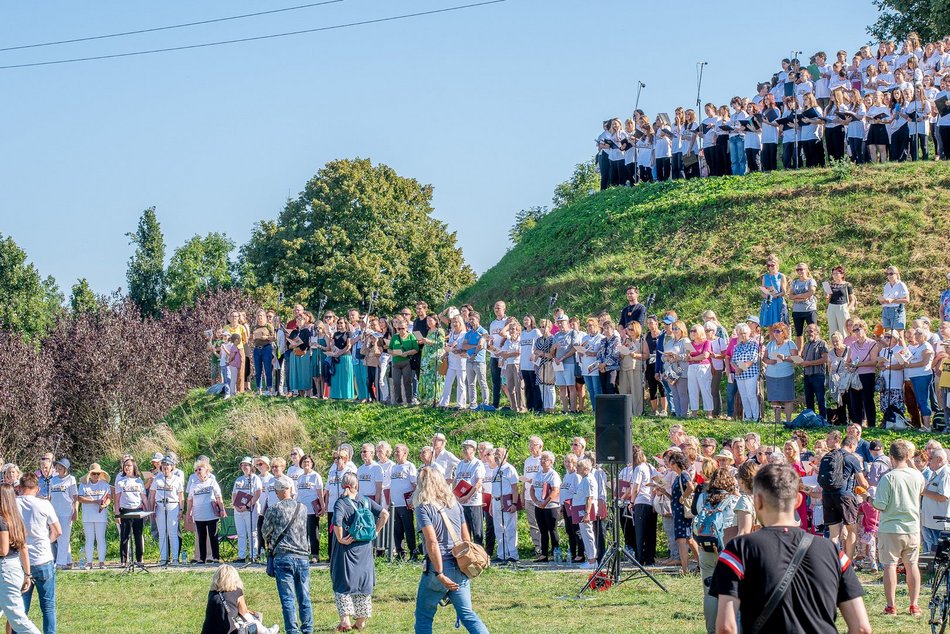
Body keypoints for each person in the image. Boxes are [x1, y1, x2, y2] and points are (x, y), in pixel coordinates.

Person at [709, 464, 871, 634]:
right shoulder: (833, 552)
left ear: (757, 500)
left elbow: (726, 627)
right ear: (798, 500)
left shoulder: (738, 550)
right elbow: (861, 628)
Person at [412, 466, 490, 634]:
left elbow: (432, 543)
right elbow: (466, 539)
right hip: (460, 565)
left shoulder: (423, 508)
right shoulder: (455, 505)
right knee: (468, 615)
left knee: (424, 616)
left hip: (438, 566)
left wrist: (440, 573)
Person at [873, 440, 926, 617]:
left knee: (889, 566)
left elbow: (880, 505)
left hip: (891, 528)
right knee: (912, 566)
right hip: (912, 527)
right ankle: (914, 605)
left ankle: (891, 606)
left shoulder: (888, 477)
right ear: (908, 456)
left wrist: (866, 498)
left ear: (891, 457)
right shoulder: (917, 475)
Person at [331, 472, 387, 632]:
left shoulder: (341, 503)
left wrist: (341, 538)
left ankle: (345, 621)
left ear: (343, 486)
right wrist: (376, 532)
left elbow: (337, 522)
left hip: (347, 549)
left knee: (343, 583)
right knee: (363, 583)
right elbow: (385, 514)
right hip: (365, 548)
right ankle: (361, 622)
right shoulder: (366, 501)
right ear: (357, 486)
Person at [262, 476, 312, 634]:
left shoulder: (274, 509)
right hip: (303, 557)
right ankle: (308, 629)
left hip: (283, 556)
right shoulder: (302, 508)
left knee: (288, 599)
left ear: (277, 492)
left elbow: (265, 531)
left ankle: (292, 631)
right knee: (304, 596)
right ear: (290, 489)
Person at [16, 474, 59, 634]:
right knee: (48, 606)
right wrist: (47, 541)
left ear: (19, 488)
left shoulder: (14, 503)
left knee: (20, 608)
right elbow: (58, 530)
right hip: (43, 558)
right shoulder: (44, 504)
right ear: (37, 488)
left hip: (21, 560)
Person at [0, 484, 41, 634]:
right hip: (14, 567)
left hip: (5, 571)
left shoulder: (2, 521)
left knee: (18, 621)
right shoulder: (16, 519)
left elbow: (3, 550)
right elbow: (23, 548)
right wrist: (27, 574)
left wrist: (28, 575)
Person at [201, 564, 278, 634]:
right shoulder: (237, 591)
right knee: (251, 618)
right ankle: (266, 632)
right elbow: (243, 612)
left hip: (208, 631)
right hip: (230, 631)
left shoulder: (212, 593)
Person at [188, 458, 225, 564]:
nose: (198, 472)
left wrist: (222, 509)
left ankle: (215, 557)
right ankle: (202, 558)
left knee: (213, 536)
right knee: (201, 537)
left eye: (200, 469)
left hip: (211, 515)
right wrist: (189, 514)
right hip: (199, 515)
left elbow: (219, 497)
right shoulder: (194, 484)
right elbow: (190, 500)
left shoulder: (212, 482)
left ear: (206, 470)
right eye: (196, 470)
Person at [148, 456, 184, 566]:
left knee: (173, 533)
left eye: (168, 465)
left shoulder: (177, 480)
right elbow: (152, 496)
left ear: (172, 466)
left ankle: (175, 559)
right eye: (163, 465)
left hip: (172, 506)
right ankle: (164, 558)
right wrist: (152, 510)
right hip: (160, 506)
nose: (165, 467)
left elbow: (181, 496)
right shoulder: (157, 479)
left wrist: (181, 510)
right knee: (162, 533)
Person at [113, 455, 147, 566]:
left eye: (129, 465)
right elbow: (116, 499)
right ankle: (123, 560)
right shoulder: (120, 481)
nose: (127, 467)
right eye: (125, 465)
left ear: (134, 467)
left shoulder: (139, 481)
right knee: (124, 536)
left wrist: (148, 510)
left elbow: (144, 497)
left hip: (137, 510)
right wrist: (117, 514)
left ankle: (139, 559)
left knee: (138, 535)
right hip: (125, 511)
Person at [763, 322, 798, 425]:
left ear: (784, 332)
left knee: (787, 399)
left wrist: (785, 358)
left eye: (778, 331)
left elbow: (797, 359)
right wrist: (769, 361)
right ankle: (777, 421)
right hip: (771, 375)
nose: (776, 333)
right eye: (774, 331)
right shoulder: (770, 344)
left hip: (786, 375)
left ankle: (788, 421)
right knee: (774, 399)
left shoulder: (790, 343)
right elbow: (764, 358)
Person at [846, 319, 879, 427]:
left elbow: (874, 361)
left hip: (867, 375)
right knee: (855, 401)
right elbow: (848, 361)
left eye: (858, 329)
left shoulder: (872, 343)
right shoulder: (852, 345)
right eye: (854, 330)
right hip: (855, 375)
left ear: (864, 329)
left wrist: (859, 364)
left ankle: (872, 424)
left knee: (868, 400)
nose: (856, 332)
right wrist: (850, 366)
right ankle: (857, 425)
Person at [77, 463, 110, 569]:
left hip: (101, 515)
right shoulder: (83, 484)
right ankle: (89, 562)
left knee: (101, 538)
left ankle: (101, 562)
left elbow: (108, 497)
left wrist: (105, 504)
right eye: (94, 473)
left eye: (98, 474)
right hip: (88, 516)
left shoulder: (105, 484)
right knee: (89, 539)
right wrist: (94, 501)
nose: (96, 476)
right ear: (90, 474)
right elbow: (80, 498)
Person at [529, 451, 561, 563]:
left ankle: (555, 553)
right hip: (539, 506)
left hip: (551, 507)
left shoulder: (553, 474)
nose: (542, 461)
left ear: (551, 461)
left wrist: (545, 503)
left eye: (545, 459)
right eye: (541, 459)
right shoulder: (537, 474)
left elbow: (555, 490)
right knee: (542, 531)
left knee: (552, 530)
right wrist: (536, 501)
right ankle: (544, 554)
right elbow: (532, 488)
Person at [453, 440, 486, 547]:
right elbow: (455, 481)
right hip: (461, 502)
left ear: (473, 449)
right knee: (464, 532)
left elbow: (478, 482)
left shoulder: (477, 464)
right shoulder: (460, 464)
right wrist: (455, 495)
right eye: (463, 448)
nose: (464, 450)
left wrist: (468, 496)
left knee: (477, 531)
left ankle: (480, 555)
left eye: (467, 448)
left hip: (473, 502)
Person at [490, 447, 519, 563]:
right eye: (495, 454)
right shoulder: (495, 469)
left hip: (506, 500)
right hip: (495, 500)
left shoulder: (509, 469)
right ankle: (502, 554)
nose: (496, 456)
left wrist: (514, 503)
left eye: (498, 454)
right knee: (499, 528)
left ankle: (513, 554)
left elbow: (515, 488)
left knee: (510, 527)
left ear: (505, 456)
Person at [389, 444, 418, 560]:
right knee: (397, 530)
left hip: (405, 504)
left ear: (405, 453)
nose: (396, 454)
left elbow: (414, 485)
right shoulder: (394, 467)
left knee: (408, 529)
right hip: (395, 504)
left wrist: (412, 500)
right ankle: (400, 554)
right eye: (395, 452)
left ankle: (413, 552)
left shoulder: (410, 466)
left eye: (398, 451)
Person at [233, 457, 263, 564]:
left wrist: (248, 505)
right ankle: (241, 556)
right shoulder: (239, 479)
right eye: (243, 465)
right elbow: (234, 494)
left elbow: (258, 492)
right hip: (238, 510)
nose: (244, 467)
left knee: (252, 533)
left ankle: (253, 555)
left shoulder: (255, 478)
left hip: (251, 509)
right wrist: (236, 506)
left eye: (247, 465)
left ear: (251, 466)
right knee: (240, 533)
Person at [48, 459, 76, 570]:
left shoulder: (71, 479)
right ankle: (68, 561)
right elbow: (50, 496)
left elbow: (75, 497)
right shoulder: (53, 480)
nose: (58, 468)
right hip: (54, 511)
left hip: (67, 512)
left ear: (66, 468)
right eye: (57, 466)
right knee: (57, 536)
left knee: (63, 537)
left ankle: (61, 563)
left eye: (61, 466)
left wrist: (75, 511)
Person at [796, 323, 828, 420]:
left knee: (820, 399)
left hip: (818, 375)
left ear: (817, 332)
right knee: (809, 400)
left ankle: (823, 420)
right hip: (807, 375)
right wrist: (800, 362)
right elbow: (805, 360)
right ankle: (811, 420)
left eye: (811, 331)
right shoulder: (806, 345)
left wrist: (809, 363)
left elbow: (825, 359)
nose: (808, 333)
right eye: (807, 331)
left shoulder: (822, 343)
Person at [295, 455, 323, 564]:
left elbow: (320, 493)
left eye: (308, 462)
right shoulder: (300, 477)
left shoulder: (316, 476)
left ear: (312, 463)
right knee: (302, 533)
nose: (306, 464)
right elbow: (298, 494)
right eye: (304, 462)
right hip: (301, 508)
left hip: (312, 509)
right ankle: (303, 553)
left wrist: (322, 506)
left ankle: (315, 555)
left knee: (313, 532)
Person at [922, 449, 950, 554]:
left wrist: (924, 492)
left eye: (930, 458)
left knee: (940, 554)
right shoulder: (937, 472)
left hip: (940, 523)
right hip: (933, 522)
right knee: (934, 553)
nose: (928, 461)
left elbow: (943, 496)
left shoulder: (945, 473)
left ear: (939, 459)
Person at [573, 458, 598, 569]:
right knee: (585, 534)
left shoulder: (588, 479)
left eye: (579, 467)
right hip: (581, 510)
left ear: (586, 469)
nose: (576, 468)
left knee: (588, 535)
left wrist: (587, 513)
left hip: (585, 511)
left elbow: (589, 497)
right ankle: (590, 559)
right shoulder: (584, 479)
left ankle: (592, 561)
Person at [417, 314, 445, 407]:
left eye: (430, 320)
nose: (428, 322)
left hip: (435, 357)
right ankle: (426, 398)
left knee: (434, 379)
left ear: (436, 321)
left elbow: (441, 344)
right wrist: (423, 341)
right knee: (426, 378)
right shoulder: (429, 331)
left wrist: (429, 342)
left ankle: (435, 398)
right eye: (427, 321)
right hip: (426, 357)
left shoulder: (439, 331)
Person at [758, 255, 788, 328]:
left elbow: (784, 291)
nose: (770, 267)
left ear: (777, 265)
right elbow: (763, 292)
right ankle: (771, 340)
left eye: (772, 265)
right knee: (770, 327)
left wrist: (776, 295)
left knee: (780, 327)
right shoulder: (765, 277)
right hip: (769, 302)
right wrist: (767, 296)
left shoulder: (781, 276)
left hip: (778, 302)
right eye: (768, 265)